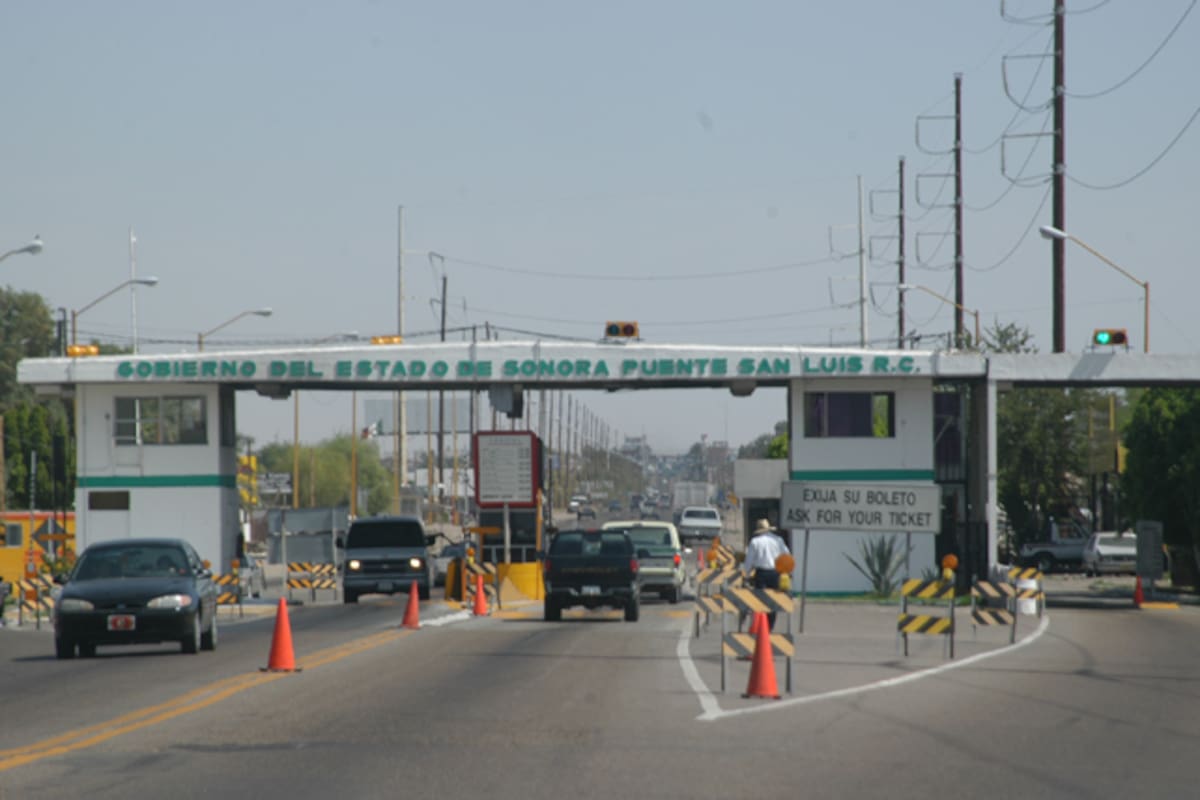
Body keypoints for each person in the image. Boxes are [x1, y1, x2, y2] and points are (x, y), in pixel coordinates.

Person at [742, 519, 790, 631]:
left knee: (761, 601)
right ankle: (770, 627)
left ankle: (761, 626)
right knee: (773, 602)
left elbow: (749, 561)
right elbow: (786, 555)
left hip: (761, 574)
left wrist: (746, 574)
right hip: (775, 573)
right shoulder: (778, 540)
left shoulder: (755, 542)